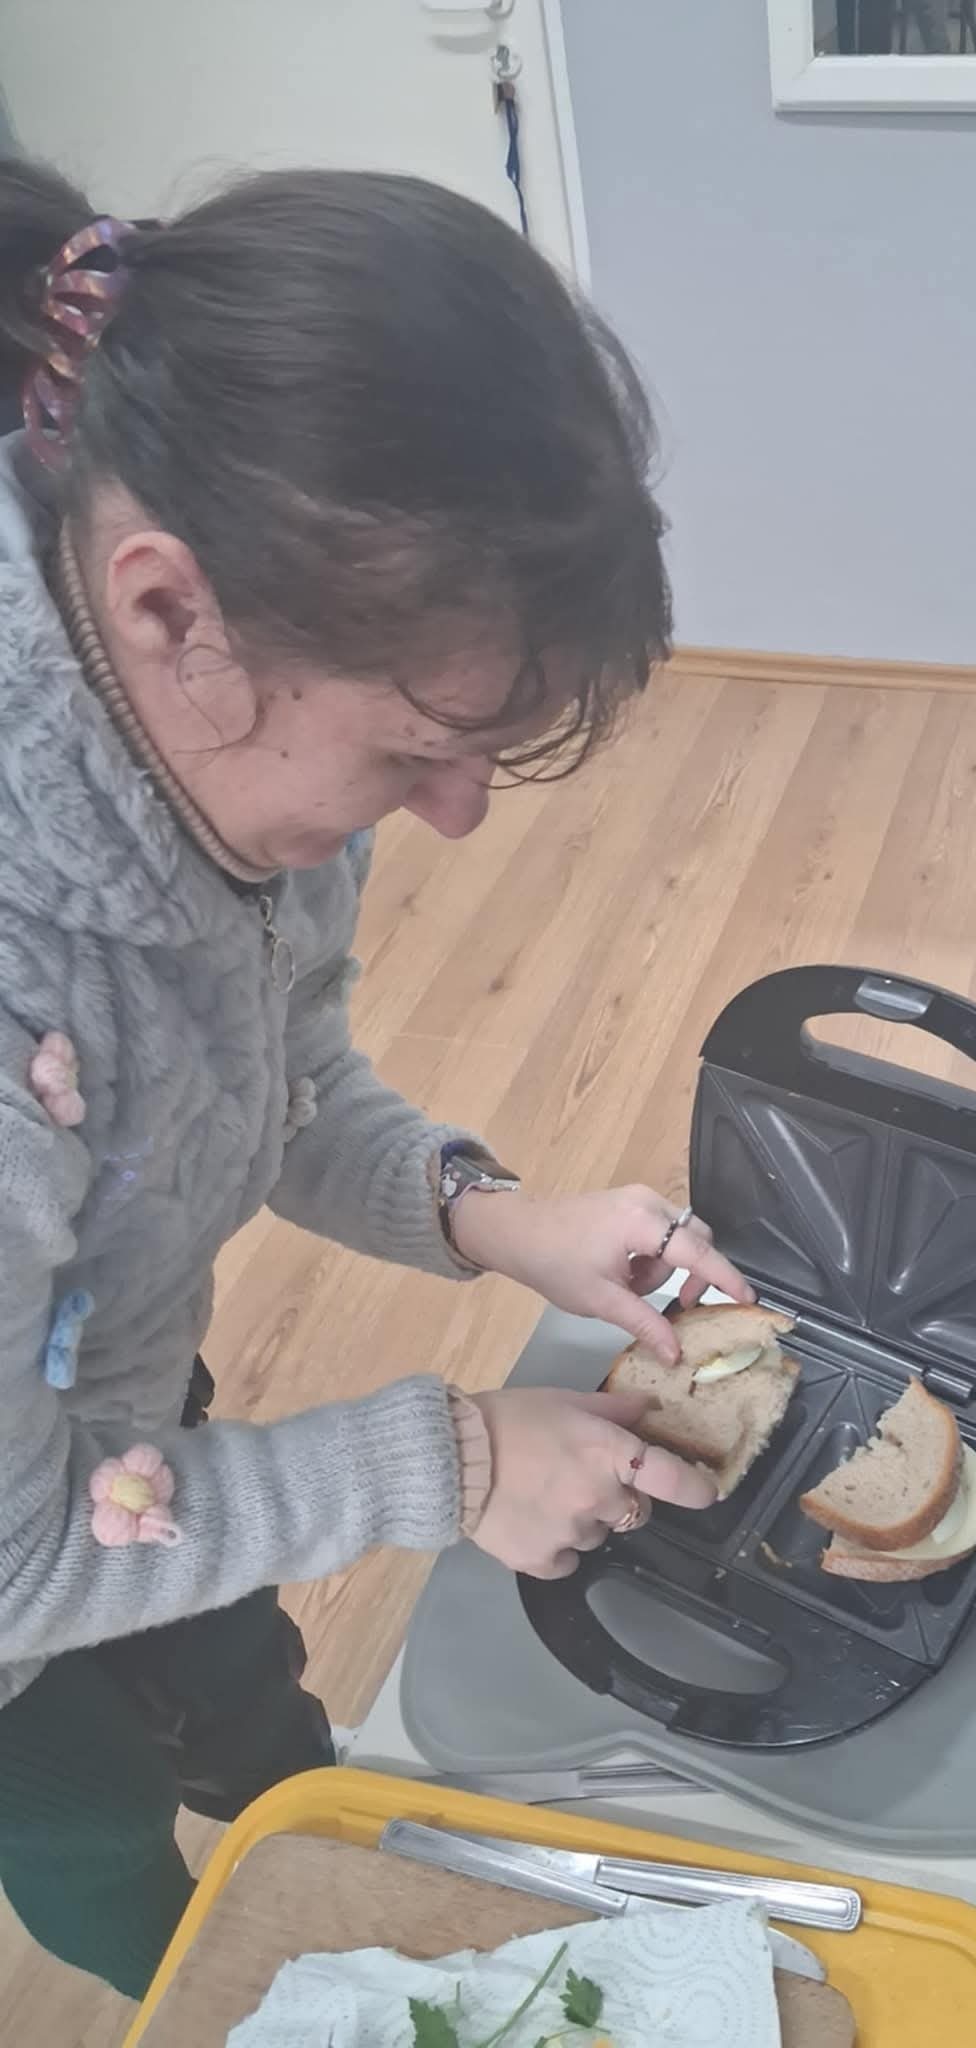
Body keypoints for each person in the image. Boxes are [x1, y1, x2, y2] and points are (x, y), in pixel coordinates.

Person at [0, 158, 752, 2001]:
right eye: (416, 749)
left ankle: (290, 1821)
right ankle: (223, 1990)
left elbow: (257, 1082)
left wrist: (499, 1219)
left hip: (110, 1403)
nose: (453, 814)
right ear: (167, 613)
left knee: (239, 1686)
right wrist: (456, 1457)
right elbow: (17, 1568)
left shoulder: (229, 746)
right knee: (93, 1822)